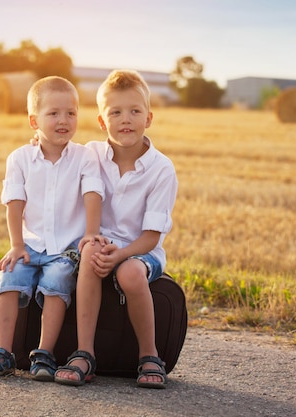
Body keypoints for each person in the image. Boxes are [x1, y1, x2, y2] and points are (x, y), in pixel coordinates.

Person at [53, 69, 178, 389]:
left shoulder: (161, 169)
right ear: (101, 121)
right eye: (116, 112)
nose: (126, 119)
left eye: (135, 111)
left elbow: (152, 236)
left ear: (149, 118)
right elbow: (56, 151)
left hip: (141, 249)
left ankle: (150, 356)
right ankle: (84, 354)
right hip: (101, 240)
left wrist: (122, 254)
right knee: (91, 250)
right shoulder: (91, 153)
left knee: (130, 274)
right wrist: (39, 139)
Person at [0, 76, 103, 382]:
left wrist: (91, 232)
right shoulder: (19, 158)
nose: (64, 120)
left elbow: (93, 194)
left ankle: (44, 354)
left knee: (57, 279)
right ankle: (3, 352)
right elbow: (15, 203)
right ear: (34, 120)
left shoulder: (85, 157)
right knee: (10, 274)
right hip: (30, 244)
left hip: (66, 248)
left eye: (71, 113)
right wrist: (17, 245)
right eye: (54, 113)